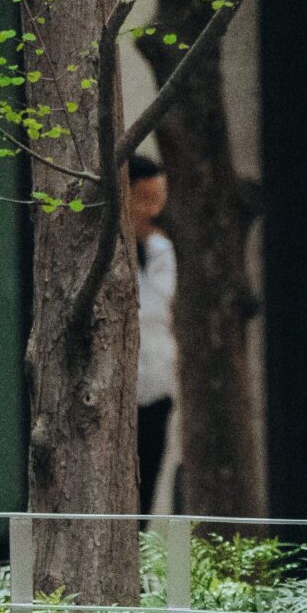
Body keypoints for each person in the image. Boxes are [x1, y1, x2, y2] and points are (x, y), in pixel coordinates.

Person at [130, 152, 177, 512]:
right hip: (122, 394)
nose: (152, 211)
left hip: (157, 390)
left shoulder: (160, 249)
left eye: (157, 201)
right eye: (144, 199)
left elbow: (163, 312)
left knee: (145, 499)